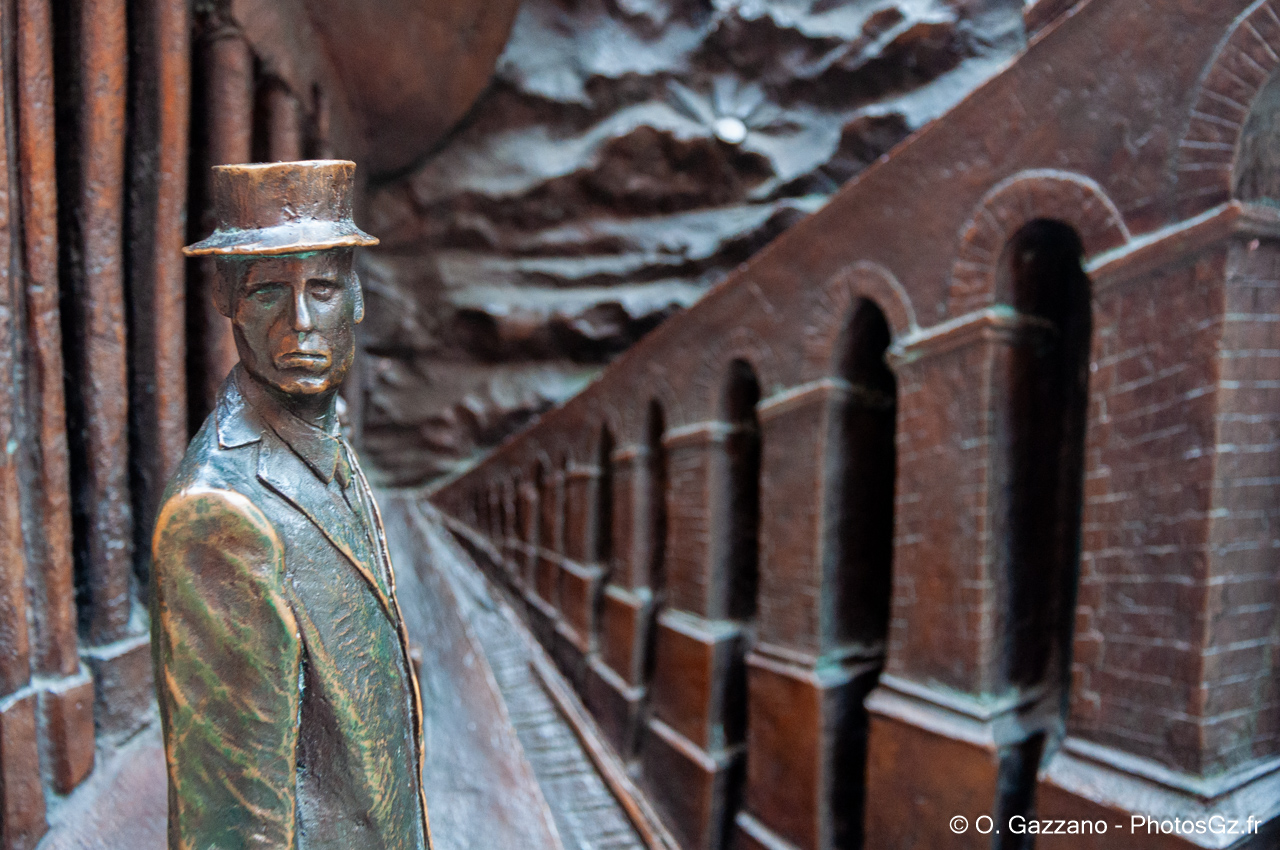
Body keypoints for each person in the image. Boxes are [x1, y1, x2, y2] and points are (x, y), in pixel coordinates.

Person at [152, 160, 432, 849]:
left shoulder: (323, 441)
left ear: (357, 299)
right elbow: (231, 822)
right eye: (270, 292)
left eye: (324, 288)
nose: (300, 323)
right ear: (228, 301)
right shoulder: (218, 515)